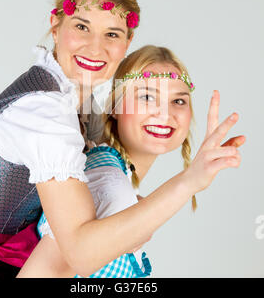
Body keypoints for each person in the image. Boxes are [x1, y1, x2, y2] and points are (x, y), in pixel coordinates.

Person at [0, 0, 139, 278]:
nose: (95, 47)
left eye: (111, 33)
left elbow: (111, 186)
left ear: (127, 43)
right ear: (55, 26)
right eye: (82, 27)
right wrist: (189, 183)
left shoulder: (81, 103)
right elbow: (83, 251)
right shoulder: (44, 110)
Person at [16, 45, 245, 278]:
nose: (165, 114)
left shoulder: (118, 180)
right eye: (147, 97)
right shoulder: (109, 182)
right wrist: (189, 181)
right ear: (115, 106)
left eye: (178, 101)